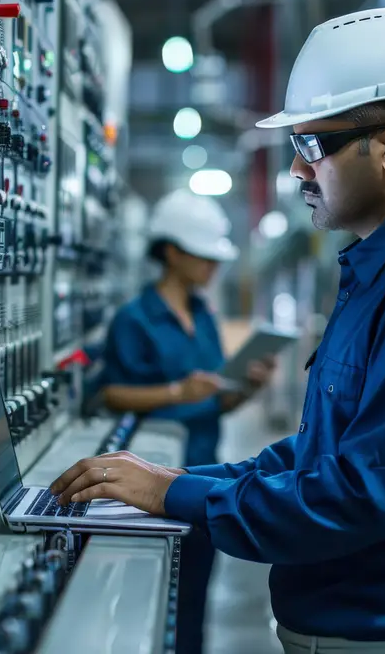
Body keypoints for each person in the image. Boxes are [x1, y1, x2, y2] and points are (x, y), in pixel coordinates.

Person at [54, 8, 385, 654]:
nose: (298, 170)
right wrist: (176, 480)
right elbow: (321, 454)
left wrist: (175, 495)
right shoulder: (381, 274)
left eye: (313, 146)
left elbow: (358, 497)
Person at [97, 188, 277, 654]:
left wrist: (246, 388)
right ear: (172, 252)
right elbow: (112, 393)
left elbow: (214, 403)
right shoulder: (135, 319)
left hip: (201, 480)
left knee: (193, 610)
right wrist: (177, 392)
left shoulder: (204, 315)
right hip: (149, 488)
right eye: (204, 255)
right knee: (147, 618)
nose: (214, 266)